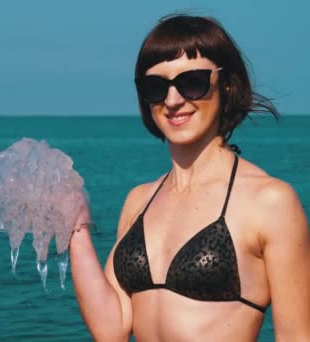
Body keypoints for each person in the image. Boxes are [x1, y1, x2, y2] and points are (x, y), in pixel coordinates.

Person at [69, 14, 310, 342]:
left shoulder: (269, 201)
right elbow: (111, 329)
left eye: (192, 82)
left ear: (226, 84)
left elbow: (296, 336)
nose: (172, 100)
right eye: (156, 86)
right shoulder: (139, 201)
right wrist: (76, 228)